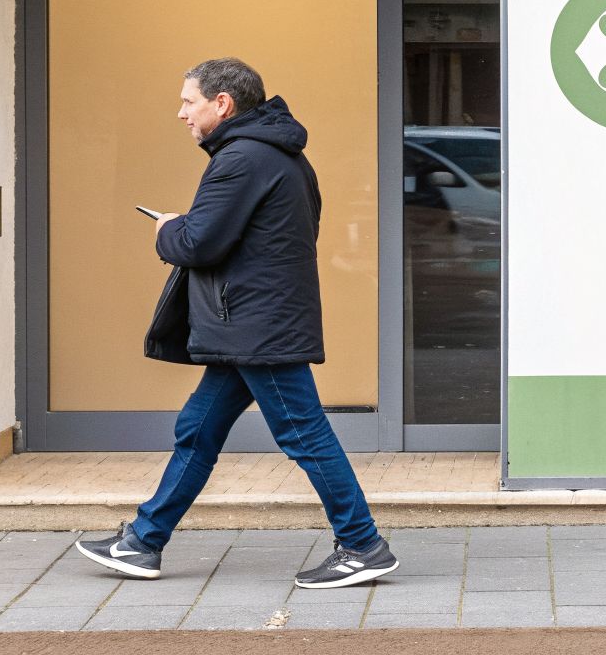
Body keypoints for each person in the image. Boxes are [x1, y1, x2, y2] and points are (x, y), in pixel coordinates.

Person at [76, 58, 398, 588]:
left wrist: (167, 229)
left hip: (255, 329)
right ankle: (143, 540)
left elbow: (199, 243)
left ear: (221, 104)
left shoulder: (241, 159)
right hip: (250, 324)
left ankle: (363, 544)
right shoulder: (281, 156)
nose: (181, 113)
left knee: (303, 434)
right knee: (197, 431)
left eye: (188, 101)